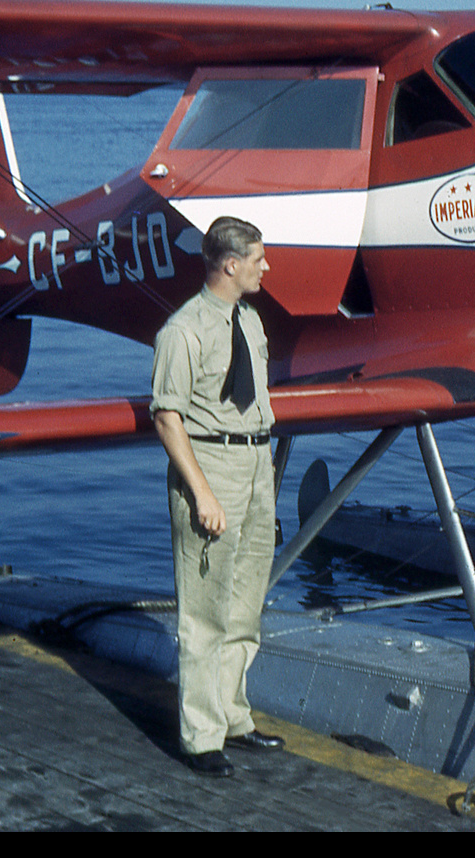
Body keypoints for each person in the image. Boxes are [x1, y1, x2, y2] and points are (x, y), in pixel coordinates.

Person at [150, 215, 282, 778]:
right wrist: (202, 492)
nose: (266, 266)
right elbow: (166, 416)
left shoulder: (248, 322)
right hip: (213, 466)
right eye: (258, 258)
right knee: (204, 611)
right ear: (231, 265)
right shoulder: (182, 331)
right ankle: (201, 737)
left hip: (256, 462)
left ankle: (233, 715)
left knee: (246, 600)